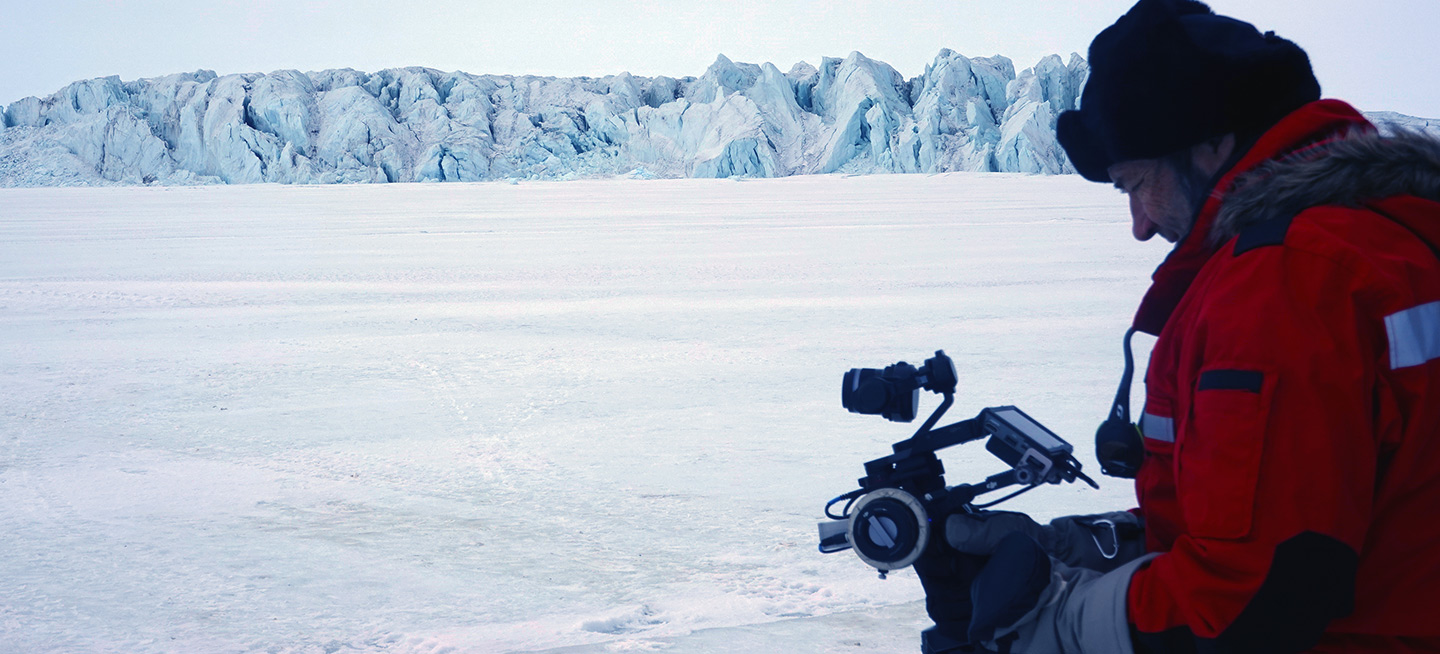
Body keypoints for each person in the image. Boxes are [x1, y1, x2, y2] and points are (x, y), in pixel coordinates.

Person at [913, 1, 1440, 652]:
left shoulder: (1287, 282)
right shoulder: (1388, 238)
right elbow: (1299, 519)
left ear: (1211, 144)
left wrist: (1059, 625)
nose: (1138, 224)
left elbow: (1258, 592)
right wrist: (1088, 546)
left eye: (1135, 184)